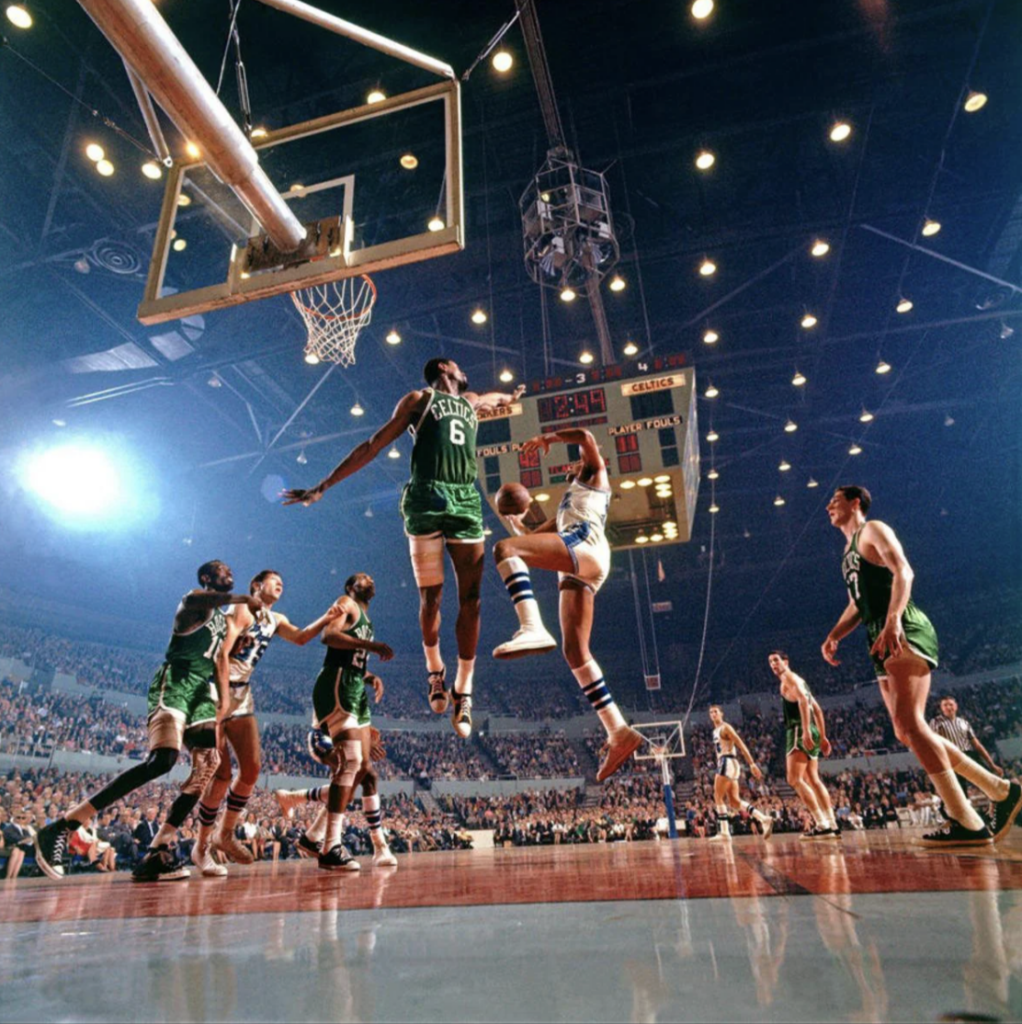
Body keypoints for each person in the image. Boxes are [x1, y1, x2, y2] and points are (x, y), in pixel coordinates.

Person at [283, 358, 524, 737]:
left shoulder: (470, 401)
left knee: (472, 598)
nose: (466, 371)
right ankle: (434, 669)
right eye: (459, 367)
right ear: (445, 368)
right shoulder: (418, 399)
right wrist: (324, 485)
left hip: (465, 500)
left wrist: (510, 395)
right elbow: (373, 445)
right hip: (425, 499)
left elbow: (491, 398)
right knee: (431, 598)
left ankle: (464, 689)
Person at [34, 560, 262, 882]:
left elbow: (220, 660)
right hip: (176, 681)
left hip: (202, 691)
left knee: (207, 767)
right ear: (207, 577)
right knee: (162, 761)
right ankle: (63, 826)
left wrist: (224, 700)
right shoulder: (193, 601)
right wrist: (244, 599)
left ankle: (159, 849)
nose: (230, 572)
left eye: (230, 569)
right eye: (222, 570)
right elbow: (212, 601)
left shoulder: (225, 623)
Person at [821, 485, 1021, 846]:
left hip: (903, 627)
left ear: (855, 503)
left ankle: (967, 818)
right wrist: (835, 634)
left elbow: (904, 572)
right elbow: (857, 603)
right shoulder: (847, 553)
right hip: (877, 634)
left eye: (834, 500)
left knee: (912, 723)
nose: (827, 506)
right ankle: (999, 791)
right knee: (904, 731)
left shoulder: (874, 530)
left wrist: (894, 617)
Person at [489, 427, 642, 781]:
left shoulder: (595, 477)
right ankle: (618, 730)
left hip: (584, 544)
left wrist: (548, 438)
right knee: (575, 652)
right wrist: (516, 524)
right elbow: (532, 541)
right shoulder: (566, 504)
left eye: (580, 461)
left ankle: (531, 627)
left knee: (502, 550)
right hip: (582, 564)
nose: (576, 463)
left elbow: (586, 436)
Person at [191, 570, 344, 877]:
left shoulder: (275, 619)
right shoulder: (242, 608)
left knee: (252, 769)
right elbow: (223, 651)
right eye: (274, 580)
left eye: (282, 582)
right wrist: (221, 699)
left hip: (242, 691)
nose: (280, 584)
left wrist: (327, 618)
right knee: (220, 774)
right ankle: (202, 845)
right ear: (256, 586)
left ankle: (226, 832)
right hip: (215, 686)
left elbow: (301, 638)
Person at [305, 572, 394, 870]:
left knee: (366, 772)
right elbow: (328, 636)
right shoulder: (346, 602)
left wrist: (369, 675)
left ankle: (319, 837)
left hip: (354, 685)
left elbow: (352, 658)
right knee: (353, 763)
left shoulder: (365, 619)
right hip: (337, 684)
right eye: (361, 578)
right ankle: (330, 846)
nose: (369, 578)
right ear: (349, 587)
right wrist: (374, 647)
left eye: (371, 577)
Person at [276, 724, 397, 868]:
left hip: (346, 738)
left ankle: (308, 829)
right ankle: (378, 845)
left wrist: (364, 738)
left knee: (360, 782)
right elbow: (335, 719)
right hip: (325, 736)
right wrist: (363, 741)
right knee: (359, 778)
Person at [768, 651, 840, 839]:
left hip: (799, 729)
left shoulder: (789, 679)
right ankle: (832, 823)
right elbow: (816, 708)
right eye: (770, 662)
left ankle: (822, 824)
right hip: (811, 729)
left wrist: (807, 730)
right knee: (813, 779)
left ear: (786, 661)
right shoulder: (800, 680)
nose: (773, 664)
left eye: (776, 660)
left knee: (794, 779)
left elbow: (802, 702)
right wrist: (822, 737)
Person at [706, 705, 774, 840]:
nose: (713, 714)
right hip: (727, 763)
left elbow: (741, 744)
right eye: (711, 712)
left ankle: (724, 832)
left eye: (716, 712)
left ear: (721, 714)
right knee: (735, 802)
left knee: (717, 796)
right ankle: (764, 818)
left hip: (727, 761)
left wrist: (752, 764)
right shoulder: (715, 731)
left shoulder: (726, 728)